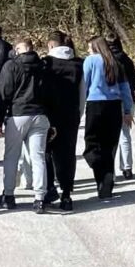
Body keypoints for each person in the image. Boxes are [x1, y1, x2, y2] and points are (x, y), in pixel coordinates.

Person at [0, 37, 52, 213]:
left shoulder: (11, 66)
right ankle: (40, 198)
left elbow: (3, 93)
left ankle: (9, 195)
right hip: (40, 114)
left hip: (18, 114)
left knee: (11, 156)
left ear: (19, 49)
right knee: (38, 157)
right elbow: (51, 93)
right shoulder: (43, 66)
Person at [83, 37, 134, 200]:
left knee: (92, 144)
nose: (88, 51)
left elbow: (84, 84)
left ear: (96, 48)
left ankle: (101, 174)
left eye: (90, 48)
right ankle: (106, 182)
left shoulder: (90, 61)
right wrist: (127, 111)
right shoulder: (116, 62)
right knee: (109, 146)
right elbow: (126, 89)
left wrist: (78, 107)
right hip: (114, 106)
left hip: (95, 104)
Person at [43, 31, 84, 211]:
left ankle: (49, 187)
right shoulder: (79, 64)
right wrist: (78, 114)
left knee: (45, 152)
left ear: (51, 45)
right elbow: (83, 93)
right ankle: (66, 194)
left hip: (49, 115)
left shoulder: (45, 63)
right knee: (67, 155)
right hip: (70, 115)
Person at [107, 34, 135, 180]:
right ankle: (127, 168)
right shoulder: (126, 60)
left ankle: (110, 172)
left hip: (111, 100)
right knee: (125, 134)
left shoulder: (106, 61)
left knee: (110, 138)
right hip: (128, 99)